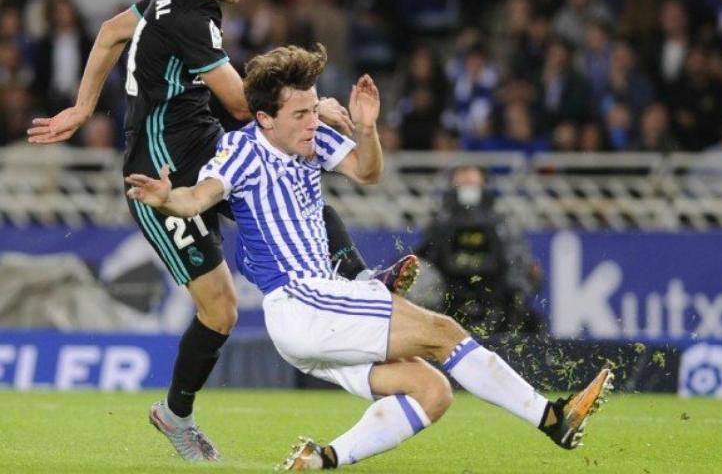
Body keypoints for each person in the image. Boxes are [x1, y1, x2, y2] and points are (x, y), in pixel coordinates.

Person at [25, 0, 416, 461]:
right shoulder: (190, 17)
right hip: (162, 178)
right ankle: (175, 415)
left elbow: (113, 32)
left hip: (208, 151)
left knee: (296, 188)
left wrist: (85, 107)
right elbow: (240, 101)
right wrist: (313, 107)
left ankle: (361, 283)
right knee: (222, 311)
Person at [125, 44, 613, 470]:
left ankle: (322, 459)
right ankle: (555, 419)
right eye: (300, 114)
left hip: (318, 315)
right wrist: (168, 198)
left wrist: (366, 128)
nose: (312, 121)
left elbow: (367, 171)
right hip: (302, 301)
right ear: (264, 119)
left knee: (432, 391)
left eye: (314, 109)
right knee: (444, 333)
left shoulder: (309, 139)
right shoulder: (241, 151)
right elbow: (198, 198)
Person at [416, 165, 543, 334]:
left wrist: (521, 285)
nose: (468, 189)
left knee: (532, 321)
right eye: (462, 183)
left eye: (472, 183)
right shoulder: (439, 225)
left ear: (484, 186)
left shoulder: (502, 226)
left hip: (496, 304)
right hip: (448, 305)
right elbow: (423, 262)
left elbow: (519, 265)